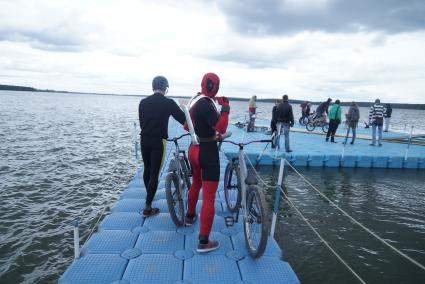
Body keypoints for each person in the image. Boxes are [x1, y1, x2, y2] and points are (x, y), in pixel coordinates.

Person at [185, 72, 229, 253]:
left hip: (194, 149)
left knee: (195, 184)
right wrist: (225, 107)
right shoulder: (207, 104)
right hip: (207, 152)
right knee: (209, 196)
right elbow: (222, 126)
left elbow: (187, 126)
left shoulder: (196, 100)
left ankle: (189, 216)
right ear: (216, 87)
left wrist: (209, 132)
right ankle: (204, 241)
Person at [138, 76, 186, 217]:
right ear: (165, 88)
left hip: (144, 140)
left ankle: (149, 197)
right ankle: (148, 207)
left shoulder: (143, 102)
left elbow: (142, 123)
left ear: (153, 87)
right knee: (154, 173)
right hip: (159, 141)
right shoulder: (168, 103)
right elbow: (183, 119)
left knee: (147, 169)